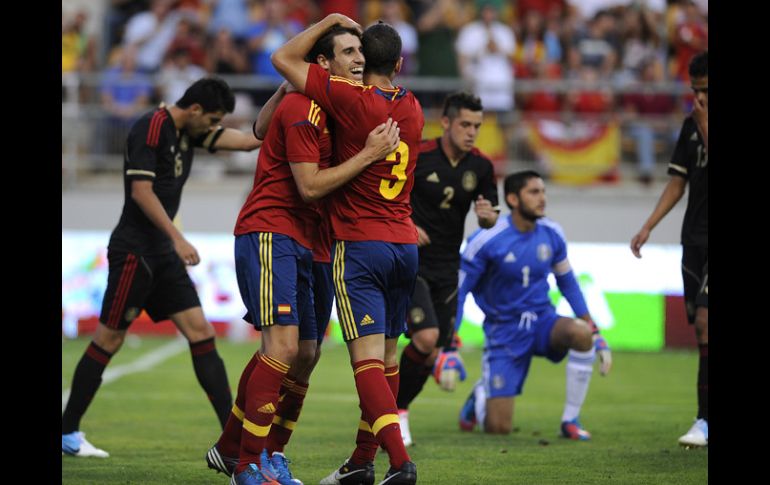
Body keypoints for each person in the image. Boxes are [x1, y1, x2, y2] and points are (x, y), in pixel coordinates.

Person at [211, 25, 402, 485]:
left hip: (315, 242)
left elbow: (260, 129)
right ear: (322, 64)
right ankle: (245, 465)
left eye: (361, 52)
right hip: (271, 231)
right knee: (281, 346)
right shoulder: (303, 107)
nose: (359, 59)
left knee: (308, 352)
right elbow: (310, 186)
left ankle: (257, 453)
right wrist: (370, 154)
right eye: (348, 51)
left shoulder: (340, 107)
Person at [62, 77, 262, 458]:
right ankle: (68, 430)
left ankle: (232, 439)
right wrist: (178, 237)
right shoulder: (150, 128)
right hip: (135, 252)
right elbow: (141, 192)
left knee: (201, 333)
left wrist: (284, 93)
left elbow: (250, 139)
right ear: (196, 111)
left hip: (163, 255)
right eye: (214, 119)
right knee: (109, 339)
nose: (215, 127)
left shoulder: (193, 131)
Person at [273, 14, 424, 485]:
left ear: (366, 61)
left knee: (366, 363)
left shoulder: (348, 99)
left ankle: (400, 464)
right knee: (390, 360)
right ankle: (361, 461)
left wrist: (334, 21)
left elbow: (283, 59)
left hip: (360, 245)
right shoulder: (414, 108)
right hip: (405, 245)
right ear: (399, 63)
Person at [453, 170, 612, 439]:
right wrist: (450, 339)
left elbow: (567, 282)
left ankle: (570, 419)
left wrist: (593, 328)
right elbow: (459, 291)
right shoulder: (486, 240)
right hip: (504, 331)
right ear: (513, 199)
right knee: (498, 428)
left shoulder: (552, 233)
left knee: (580, 334)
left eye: (543, 192)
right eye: (534, 192)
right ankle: (482, 394)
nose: (542, 198)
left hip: (542, 321)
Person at [395, 91, 499, 448]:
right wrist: (406, 223)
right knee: (424, 340)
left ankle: (395, 409)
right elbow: (388, 197)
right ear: (447, 123)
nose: (472, 132)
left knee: (433, 347)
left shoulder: (482, 167)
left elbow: (490, 215)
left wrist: (487, 219)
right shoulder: (418, 156)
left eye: (477, 126)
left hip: (448, 268)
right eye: (465, 124)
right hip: (411, 263)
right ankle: (397, 412)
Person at [630, 51, 707, 448]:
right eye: (695, 90)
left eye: (706, 91)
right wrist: (648, 225)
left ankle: (703, 421)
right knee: (702, 332)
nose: (700, 99)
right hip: (694, 238)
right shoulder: (690, 127)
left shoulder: (701, 123)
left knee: (705, 324)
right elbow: (678, 182)